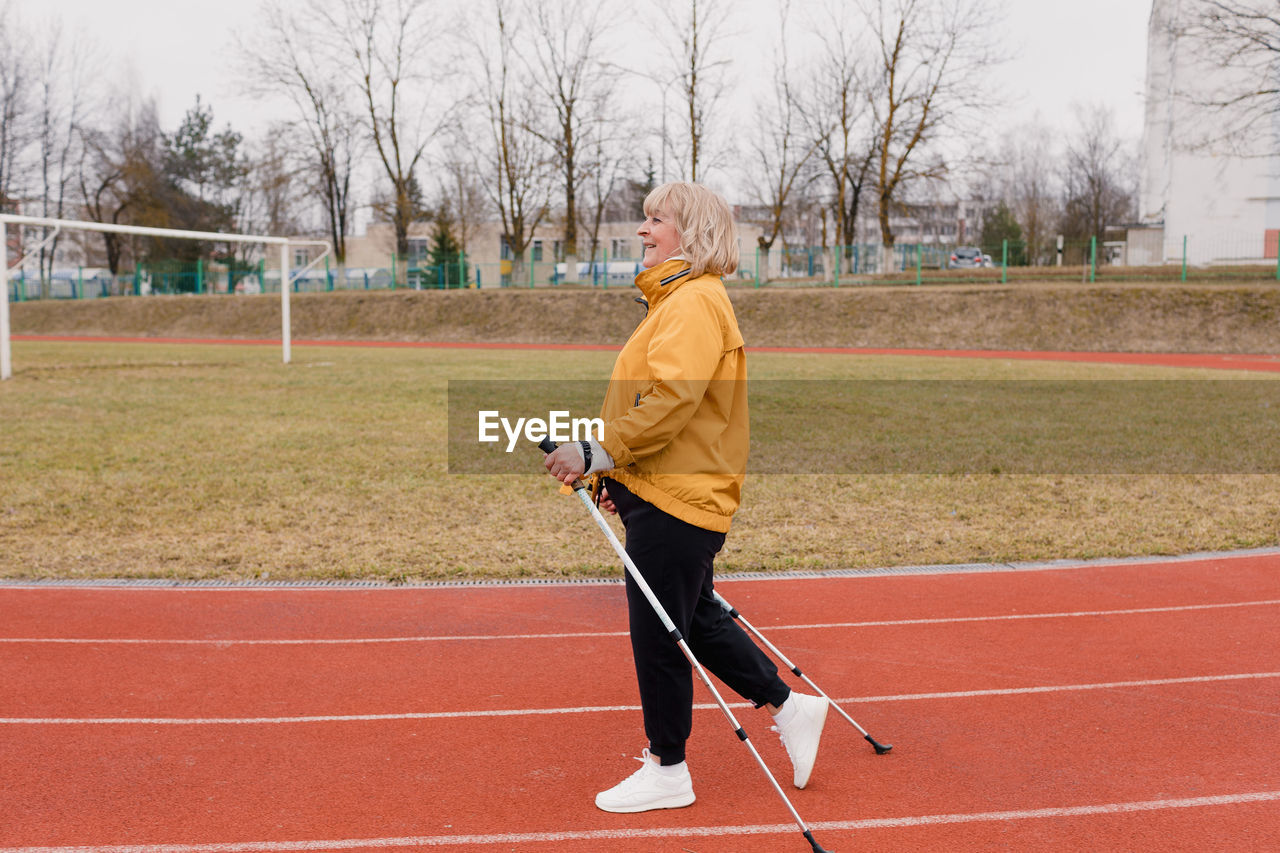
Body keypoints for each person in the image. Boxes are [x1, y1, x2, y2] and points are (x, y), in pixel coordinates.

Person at [542, 181, 829, 814]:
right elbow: (666, 410)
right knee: (692, 620)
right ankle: (791, 706)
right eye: (644, 219)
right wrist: (618, 479)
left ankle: (668, 768)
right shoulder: (677, 301)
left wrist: (597, 453)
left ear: (690, 233)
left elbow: (671, 401)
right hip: (667, 492)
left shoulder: (694, 302)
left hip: (682, 499)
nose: (642, 230)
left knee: (659, 634)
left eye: (656, 219)